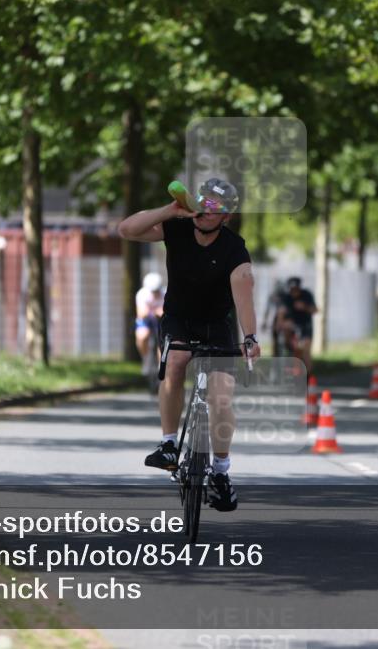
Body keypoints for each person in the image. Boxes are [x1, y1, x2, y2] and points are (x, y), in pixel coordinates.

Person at [117, 177, 260, 512]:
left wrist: (251, 337)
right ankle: (169, 445)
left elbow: (244, 298)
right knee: (177, 361)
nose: (204, 209)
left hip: (217, 325)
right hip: (179, 317)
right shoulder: (176, 229)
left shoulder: (234, 249)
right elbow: (126, 229)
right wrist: (171, 209)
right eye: (201, 200)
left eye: (214, 206)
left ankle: (221, 473)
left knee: (221, 396)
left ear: (226, 216)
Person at [279, 276, 318, 375]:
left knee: (305, 352)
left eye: (296, 290)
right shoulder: (287, 298)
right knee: (296, 351)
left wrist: (304, 307)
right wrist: (281, 324)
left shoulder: (306, 295)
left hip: (306, 327)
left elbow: (315, 310)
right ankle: (295, 373)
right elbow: (281, 313)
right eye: (292, 290)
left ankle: (309, 377)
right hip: (293, 328)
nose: (294, 292)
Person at [135, 272, 165, 363]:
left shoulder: (165, 293)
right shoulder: (142, 294)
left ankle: (162, 366)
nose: (155, 293)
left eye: (156, 291)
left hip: (161, 321)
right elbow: (141, 314)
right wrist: (157, 311)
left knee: (163, 342)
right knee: (142, 336)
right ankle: (146, 358)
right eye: (153, 291)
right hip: (146, 321)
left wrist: (153, 311)